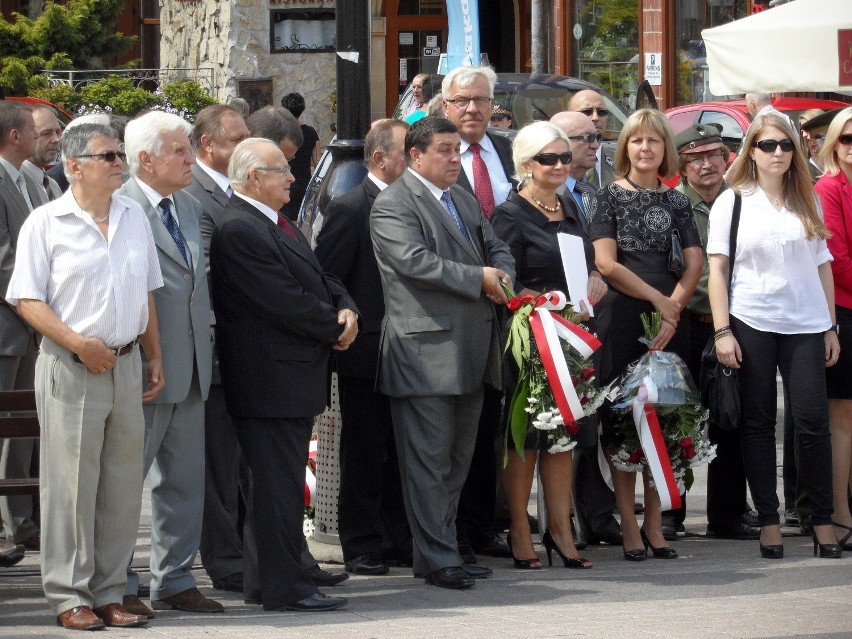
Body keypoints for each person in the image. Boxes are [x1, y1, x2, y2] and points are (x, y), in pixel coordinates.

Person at [7, 122, 163, 630]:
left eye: (120, 153)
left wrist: (153, 354)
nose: (120, 161)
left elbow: (146, 291)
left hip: (125, 362)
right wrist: (79, 344)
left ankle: (109, 590)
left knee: (120, 487)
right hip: (71, 364)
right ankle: (69, 592)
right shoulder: (46, 223)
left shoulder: (134, 216)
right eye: (108, 155)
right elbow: (27, 298)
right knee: (71, 485)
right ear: (74, 167)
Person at [210, 137, 357, 612]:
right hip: (268, 380)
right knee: (275, 488)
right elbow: (280, 301)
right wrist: (333, 326)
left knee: (278, 485)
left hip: (290, 377)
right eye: (282, 171)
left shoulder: (276, 222)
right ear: (254, 177)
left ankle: (268, 580)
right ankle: (283, 588)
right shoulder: (240, 229)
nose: (293, 177)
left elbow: (322, 279)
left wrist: (346, 308)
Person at [370, 116, 515, 589]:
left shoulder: (462, 199)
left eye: (458, 150)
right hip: (424, 354)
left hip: (472, 350)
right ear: (415, 155)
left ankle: (441, 549)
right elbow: (414, 262)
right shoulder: (393, 204)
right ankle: (436, 557)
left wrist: (503, 275)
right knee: (427, 463)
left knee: (457, 461)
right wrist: (481, 279)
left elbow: (497, 246)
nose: (457, 159)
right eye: (446, 151)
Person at [708, 112, 841, 559]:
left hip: (806, 321)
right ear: (752, 151)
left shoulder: (808, 199)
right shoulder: (733, 201)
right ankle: (768, 519)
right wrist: (723, 329)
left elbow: (823, 264)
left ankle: (821, 521)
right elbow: (718, 270)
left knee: (811, 423)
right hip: (751, 318)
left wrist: (830, 324)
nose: (778, 153)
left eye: (786, 145)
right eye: (768, 145)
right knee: (759, 422)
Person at [490, 121, 608, 570]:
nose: (560, 165)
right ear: (525, 164)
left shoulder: (571, 208)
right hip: (531, 339)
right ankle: (520, 528)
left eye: (563, 157)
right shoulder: (510, 214)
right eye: (548, 158)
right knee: (528, 437)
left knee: (563, 437)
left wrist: (595, 278)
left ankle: (560, 529)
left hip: (574, 339)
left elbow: (587, 261)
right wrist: (542, 304)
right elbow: (505, 278)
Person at [116, 112, 220, 616]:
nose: (190, 159)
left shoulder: (188, 203)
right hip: (144, 371)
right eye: (179, 151)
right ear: (145, 159)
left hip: (194, 364)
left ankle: (174, 578)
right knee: (124, 482)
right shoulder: (120, 209)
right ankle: (116, 580)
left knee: (182, 480)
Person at [590, 108, 703, 561]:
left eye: (654, 141)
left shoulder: (677, 200)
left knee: (667, 417)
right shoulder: (608, 197)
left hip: (670, 319)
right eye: (636, 141)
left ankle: (655, 523)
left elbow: (694, 261)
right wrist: (661, 302)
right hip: (624, 317)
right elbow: (606, 263)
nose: (645, 148)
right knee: (624, 422)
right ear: (625, 149)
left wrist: (673, 306)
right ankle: (628, 524)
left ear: (665, 150)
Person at [314, 119, 411, 575]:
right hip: (367, 350)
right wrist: (349, 312)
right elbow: (327, 275)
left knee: (401, 451)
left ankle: (398, 537)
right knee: (366, 451)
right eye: (407, 152)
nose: (415, 160)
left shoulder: (414, 203)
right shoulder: (351, 208)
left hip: (410, 347)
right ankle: (362, 542)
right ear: (379, 159)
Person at [441, 65, 515, 561]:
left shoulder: (511, 152)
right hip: (457, 310)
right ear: (445, 106)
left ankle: (487, 523)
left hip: (511, 304)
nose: (473, 109)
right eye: (463, 101)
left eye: (481, 100)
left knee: (496, 420)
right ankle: (457, 531)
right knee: (458, 428)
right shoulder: (436, 157)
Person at [673, 124, 759, 542]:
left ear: (727, 158)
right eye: (695, 158)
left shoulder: (746, 201)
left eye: (713, 155)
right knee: (677, 416)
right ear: (683, 165)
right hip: (684, 324)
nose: (706, 164)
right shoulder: (671, 203)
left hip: (734, 325)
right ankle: (671, 513)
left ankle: (726, 514)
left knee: (731, 418)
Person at [548, 110, 622, 547]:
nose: (594, 145)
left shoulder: (592, 194)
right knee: (565, 427)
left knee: (592, 423)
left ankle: (596, 513)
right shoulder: (539, 198)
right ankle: (561, 521)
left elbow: (595, 256)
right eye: (583, 138)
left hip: (597, 322)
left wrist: (596, 273)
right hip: (552, 325)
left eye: (597, 137)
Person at [185, 103, 250, 595]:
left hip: (248, 352)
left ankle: (254, 553)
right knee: (218, 465)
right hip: (215, 351)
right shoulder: (195, 196)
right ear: (208, 145)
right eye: (235, 139)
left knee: (244, 465)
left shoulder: (240, 190)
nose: (243, 147)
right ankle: (225, 561)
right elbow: (209, 276)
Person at [0, 101, 45, 556]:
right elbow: (4, 261)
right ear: (14, 135)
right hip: (8, 325)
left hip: (28, 327)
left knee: (21, 428)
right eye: (32, 129)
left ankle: (20, 522)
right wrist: (40, 300)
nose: (37, 136)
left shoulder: (26, 180)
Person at [814, 107, 852, 550]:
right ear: (834, 144)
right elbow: (837, 259)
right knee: (841, 416)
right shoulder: (828, 188)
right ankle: (839, 511)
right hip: (843, 310)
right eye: (847, 138)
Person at [280, 93, 321, 220]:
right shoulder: (311, 132)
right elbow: (317, 162)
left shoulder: (280, 133)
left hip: (284, 184)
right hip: (304, 184)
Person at [567, 89, 616, 188]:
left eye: (601, 112)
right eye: (587, 112)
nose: (595, 117)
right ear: (569, 117)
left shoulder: (622, 161)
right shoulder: (557, 161)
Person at [21, 106, 63, 201]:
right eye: (46, 133)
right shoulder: (15, 183)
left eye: (57, 132)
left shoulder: (53, 186)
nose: (56, 139)